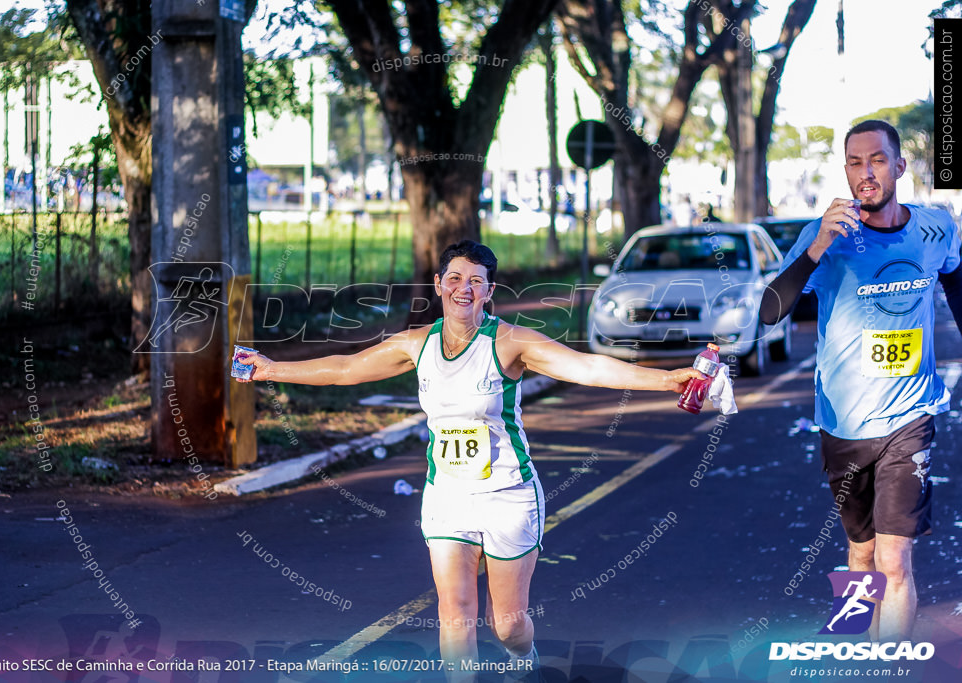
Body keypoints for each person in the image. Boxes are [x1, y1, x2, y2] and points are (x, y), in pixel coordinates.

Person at [237, 240, 702, 680]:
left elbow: (590, 368)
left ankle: (526, 663)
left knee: (508, 626)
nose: (465, 288)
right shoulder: (416, 343)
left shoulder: (511, 343)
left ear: (489, 291)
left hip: (509, 497)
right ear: (438, 284)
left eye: (476, 280)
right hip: (449, 497)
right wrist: (271, 369)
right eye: (455, 278)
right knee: (454, 615)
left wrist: (666, 381)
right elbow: (344, 369)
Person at [760, 120, 962, 641]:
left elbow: (958, 287)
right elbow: (769, 312)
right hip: (843, 421)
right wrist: (817, 248)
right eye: (854, 162)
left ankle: (888, 666)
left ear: (898, 167)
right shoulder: (824, 236)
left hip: (910, 416)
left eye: (876, 160)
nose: (865, 173)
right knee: (862, 550)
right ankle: (855, 645)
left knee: (894, 560)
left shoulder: (935, 229)